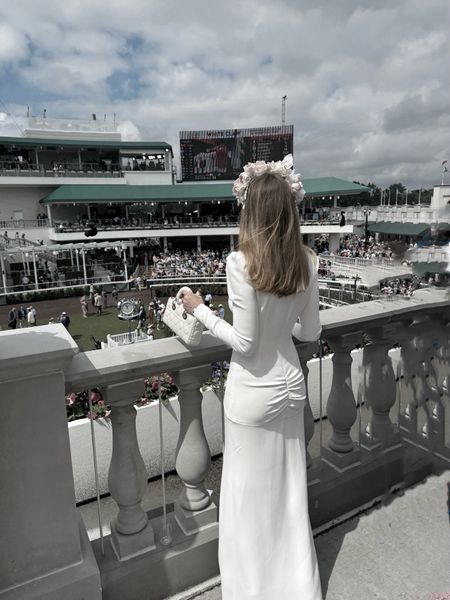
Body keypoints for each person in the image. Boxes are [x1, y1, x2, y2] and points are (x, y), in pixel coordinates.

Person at [182, 155, 323, 600]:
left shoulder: (241, 262)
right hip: (291, 386)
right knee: (288, 493)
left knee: (246, 501)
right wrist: (284, 324)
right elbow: (312, 332)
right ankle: (297, 587)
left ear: (252, 211)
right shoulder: (308, 261)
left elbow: (243, 343)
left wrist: (199, 310)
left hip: (252, 395)